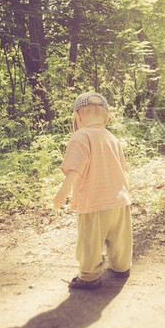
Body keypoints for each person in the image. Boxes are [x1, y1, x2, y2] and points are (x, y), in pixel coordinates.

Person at [53, 92, 132, 290]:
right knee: (120, 238)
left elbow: (75, 168)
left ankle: (88, 277)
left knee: (90, 242)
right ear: (106, 118)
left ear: (77, 117)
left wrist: (64, 190)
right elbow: (123, 167)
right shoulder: (112, 138)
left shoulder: (80, 136)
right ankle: (122, 267)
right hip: (120, 200)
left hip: (94, 202)